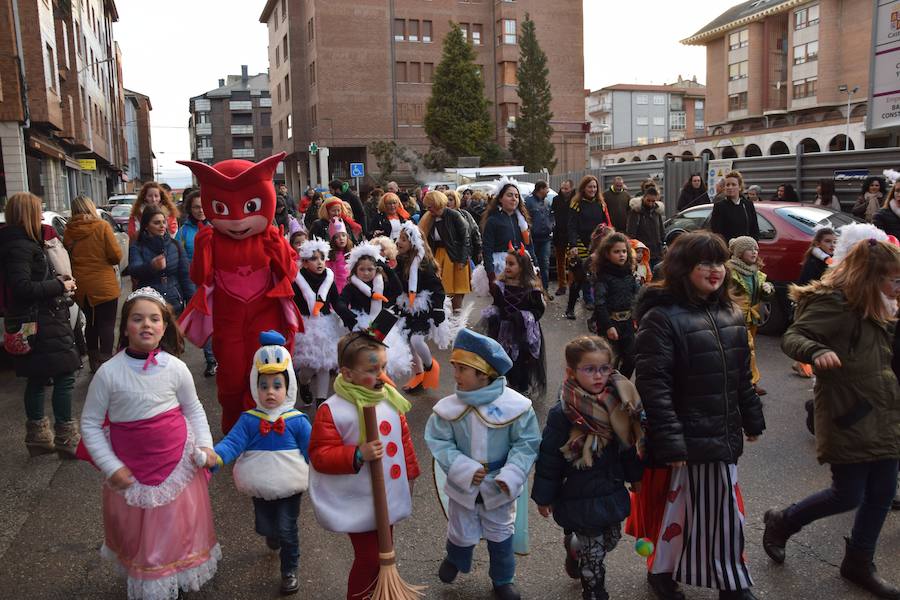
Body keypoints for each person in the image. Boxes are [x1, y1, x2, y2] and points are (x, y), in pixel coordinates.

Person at [634, 231, 765, 600]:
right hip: (685, 435)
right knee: (702, 510)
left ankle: (679, 571)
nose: (715, 271)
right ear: (683, 267)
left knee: (704, 509)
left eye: (720, 262)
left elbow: (741, 375)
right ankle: (724, 581)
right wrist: (671, 440)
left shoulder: (731, 313)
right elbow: (653, 385)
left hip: (720, 433)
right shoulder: (661, 317)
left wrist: (752, 417)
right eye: (705, 263)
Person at [766, 237, 900, 599]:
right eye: (893, 280)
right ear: (869, 277)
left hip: (886, 411)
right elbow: (794, 336)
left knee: (884, 492)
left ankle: (859, 561)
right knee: (847, 495)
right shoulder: (836, 304)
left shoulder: (883, 304)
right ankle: (783, 520)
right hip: (849, 412)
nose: (897, 286)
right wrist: (817, 349)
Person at [80, 287, 219, 599]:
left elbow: (193, 409)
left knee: (178, 528)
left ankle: (176, 578)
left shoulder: (176, 367)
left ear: (165, 326)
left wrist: (207, 446)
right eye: (137, 318)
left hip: (178, 466)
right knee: (141, 535)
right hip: (130, 471)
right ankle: (151, 582)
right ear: (125, 326)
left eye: (155, 319)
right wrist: (111, 466)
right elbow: (89, 423)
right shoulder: (108, 373)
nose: (146, 324)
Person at [425, 328, 541, 600]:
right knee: (460, 530)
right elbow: (439, 441)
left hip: (499, 485)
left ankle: (503, 580)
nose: (455, 376)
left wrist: (511, 474)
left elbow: (526, 443)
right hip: (462, 484)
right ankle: (456, 558)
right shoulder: (448, 409)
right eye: (455, 368)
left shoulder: (517, 408)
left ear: (484, 373)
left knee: (501, 534)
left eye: (462, 369)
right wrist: (462, 468)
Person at [307, 331, 420, 600]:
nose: (381, 375)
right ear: (347, 374)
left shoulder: (390, 399)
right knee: (370, 557)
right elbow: (320, 454)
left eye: (383, 367)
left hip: (388, 494)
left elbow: (402, 439)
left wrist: (411, 472)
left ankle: (378, 593)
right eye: (372, 369)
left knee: (384, 552)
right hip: (357, 498)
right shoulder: (334, 410)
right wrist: (358, 454)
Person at [532, 335, 644, 600]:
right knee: (594, 555)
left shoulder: (618, 405)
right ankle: (594, 590)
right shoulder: (564, 413)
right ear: (571, 371)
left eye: (604, 368)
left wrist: (635, 477)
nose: (598, 376)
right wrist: (544, 496)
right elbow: (549, 458)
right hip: (577, 493)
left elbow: (627, 444)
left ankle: (574, 548)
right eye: (590, 369)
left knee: (610, 540)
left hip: (611, 489)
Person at [211, 331, 311, 596]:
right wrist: (216, 456)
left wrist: (330, 470)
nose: (270, 392)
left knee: (288, 528)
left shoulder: (297, 420)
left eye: (277, 385)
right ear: (255, 385)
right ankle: (272, 534)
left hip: (291, 486)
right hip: (260, 485)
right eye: (264, 385)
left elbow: (313, 449)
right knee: (266, 526)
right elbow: (232, 443)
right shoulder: (249, 419)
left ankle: (289, 570)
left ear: (288, 387)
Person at [0, 192, 81, 457]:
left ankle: (37, 437)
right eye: (37, 211)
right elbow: (22, 287)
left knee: (36, 379)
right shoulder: (22, 247)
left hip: (31, 322)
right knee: (65, 376)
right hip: (42, 322)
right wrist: (60, 284)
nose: (40, 216)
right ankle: (66, 438)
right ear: (28, 215)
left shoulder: (15, 243)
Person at [291, 238, 354, 407]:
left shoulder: (328, 277)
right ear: (304, 263)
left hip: (326, 324)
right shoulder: (298, 281)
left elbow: (336, 301)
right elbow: (292, 304)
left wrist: (347, 315)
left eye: (321, 258)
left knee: (325, 364)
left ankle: (322, 401)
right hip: (306, 326)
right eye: (313, 259)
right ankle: (303, 383)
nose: (319, 262)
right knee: (308, 368)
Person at [64, 195, 122, 373]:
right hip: (104, 285)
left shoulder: (69, 231)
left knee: (91, 323)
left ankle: (93, 364)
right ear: (90, 207)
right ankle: (106, 365)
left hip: (82, 287)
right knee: (106, 324)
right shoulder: (102, 226)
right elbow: (115, 256)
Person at [482, 244, 547, 398]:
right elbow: (497, 304)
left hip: (523, 331)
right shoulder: (500, 286)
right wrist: (494, 314)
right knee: (503, 358)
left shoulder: (532, 290)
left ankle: (522, 388)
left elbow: (538, 310)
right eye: (506, 263)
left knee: (523, 360)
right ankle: (507, 386)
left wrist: (523, 316)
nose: (507, 267)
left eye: (511, 264)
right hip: (503, 330)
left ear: (523, 267)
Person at [340, 243, 411, 383]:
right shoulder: (351, 287)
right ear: (355, 270)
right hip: (360, 327)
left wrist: (387, 269)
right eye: (362, 269)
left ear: (376, 269)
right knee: (363, 364)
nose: (366, 273)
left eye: (370, 269)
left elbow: (398, 289)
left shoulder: (381, 283)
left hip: (381, 325)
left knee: (382, 363)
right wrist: (352, 318)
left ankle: (382, 392)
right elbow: (340, 303)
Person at [395, 222, 447, 391]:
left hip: (424, 307)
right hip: (406, 306)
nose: (398, 242)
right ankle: (418, 374)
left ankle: (430, 366)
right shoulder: (400, 260)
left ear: (414, 243)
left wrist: (438, 308)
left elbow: (438, 288)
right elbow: (395, 284)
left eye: (403, 239)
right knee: (408, 342)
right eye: (398, 238)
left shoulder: (425, 264)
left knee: (417, 340)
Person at [174, 189, 217, 377]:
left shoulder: (218, 227)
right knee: (205, 320)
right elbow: (178, 257)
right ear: (189, 209)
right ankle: (211, 360)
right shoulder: (183, 232)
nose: (200, 210)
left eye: (203, 206)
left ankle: (220, 356)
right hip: (194, 281)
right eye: (196, 207)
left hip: (216, 281)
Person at [727, 236, 774, 396]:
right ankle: (751, 383)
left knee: (745, 350)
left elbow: (761, 294)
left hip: (752, 316)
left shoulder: (755, 272)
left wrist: (768, 290)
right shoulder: (730, 272)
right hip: (737, 318)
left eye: (756, 249)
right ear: (739, 253)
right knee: (749, 349)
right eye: (750, 249)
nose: (754, 252)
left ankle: (741, 382)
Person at [128, 206, 195, 315]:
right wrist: (151, 266)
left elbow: (185, 276)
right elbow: (134, 270)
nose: (162, 226)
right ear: (146, 226)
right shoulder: (138, 246)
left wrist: (191, 301)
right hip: (149, 301)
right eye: (156, 223)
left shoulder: (175, 245)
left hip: (174, 301)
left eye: (164, 222)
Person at [592, 232, 640, 379]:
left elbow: (637, 298)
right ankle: (608, 389)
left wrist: (638, 318)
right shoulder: (603, 277)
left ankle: (621, 384)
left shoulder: (630, 274)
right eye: (617, 251)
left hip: (628, 324)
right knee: (611, 360)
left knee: (631, 359)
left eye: (624, 251)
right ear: (607, 254)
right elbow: (600, 303)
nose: (621, 255)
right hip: (610, 324)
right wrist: (608, 326)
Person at [792, 227, 837, 379]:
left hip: (825, 303)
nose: (832, 245)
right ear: (818, 244)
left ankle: (803, 362)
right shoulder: (814, 261)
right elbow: (807, 285)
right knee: (809, 335)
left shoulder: (830, 260)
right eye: (828, 241)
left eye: (834, 242)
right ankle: (800, 363)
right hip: (813, 302)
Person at [566, 176, 612, 317]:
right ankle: (570, 309)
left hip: (597, 245)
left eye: (594, 187)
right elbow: (571, 225)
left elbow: (607, 224)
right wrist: (573, 244)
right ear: (583, 188)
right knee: (579, 277)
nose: (592, 189)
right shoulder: (576, 203)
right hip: (579, 244)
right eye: (589, 187)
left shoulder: (601, 204)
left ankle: (593, 303)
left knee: (598, 276)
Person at [420, 190, 472, 312]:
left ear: (437, 204)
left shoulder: (454, 215)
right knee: (441, 289)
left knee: (457, 289)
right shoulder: (429, 218)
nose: (428, 209)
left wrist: (463, 259)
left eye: (430, 206)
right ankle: (445, 316)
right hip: (438, 256)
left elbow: (466, 238)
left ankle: (456, 318)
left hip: (455, 256)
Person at [481, 182, 534, 282]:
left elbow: (529, 245)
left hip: (521, 264)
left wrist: (535, 265)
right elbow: (487, 249)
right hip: (501, 266)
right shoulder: (493, 220)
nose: (514, 199)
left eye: (517, 196)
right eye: (510, 195)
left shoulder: (522, 221)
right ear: (500, 199)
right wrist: (490, 274)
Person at [709, 170, 760, 242]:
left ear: (739, 187)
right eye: (727, 185)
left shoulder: (748, 205)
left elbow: (755, 229)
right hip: (727, 249)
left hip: (746, 249)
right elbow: (717, 233)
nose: (730, 187)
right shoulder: (719, 206)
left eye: (733, 184)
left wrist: (752, 245)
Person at [525, 181, 554, 293]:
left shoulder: (547, 202)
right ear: (541, 189)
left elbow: (551, 216)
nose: (548, 191)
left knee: (544, 264)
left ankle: (544, 290)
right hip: (532, 240)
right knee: (532, 265)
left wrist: (551, 226)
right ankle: (532, 290)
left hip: (546, 239)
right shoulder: (528, 201)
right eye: (547, 188)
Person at [626, 186, 665, 268]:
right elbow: (631, 232)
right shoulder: (636, 212)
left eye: (653, 201)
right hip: (642, 252)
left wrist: (663, 244)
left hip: (657, 251)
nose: (650, 203)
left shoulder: (656, 211)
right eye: (648, 200)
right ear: (644, 197)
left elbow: (661, 230)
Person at [446, 188, 483, 266]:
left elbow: (475, 232)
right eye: (446, 200)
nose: (448, 202)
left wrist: (479, 250)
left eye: (450, 200)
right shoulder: (442, 217)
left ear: (456, 201)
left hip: (466, 254)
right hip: (448, 256)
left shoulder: (465, 214)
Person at [552, 179, 575, 296]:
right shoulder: (556, 199)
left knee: (573, 262)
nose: (564, 190)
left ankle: (573, 286)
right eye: (562, 188)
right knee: (560, 262)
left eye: (566, 188)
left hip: (572, 234)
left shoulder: (576, 199)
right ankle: (562, 286)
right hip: (559, 234)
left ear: (571, 188)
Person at [327, 218, 353, 293]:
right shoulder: (332, 256)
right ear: (333, 240)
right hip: (337, 289)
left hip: (350, 288)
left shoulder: (351, 253)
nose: (341, 238)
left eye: (343, 235)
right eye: (337, 237)